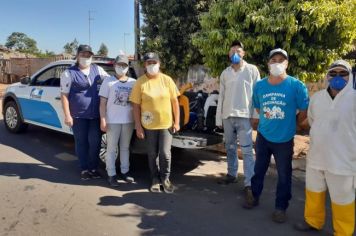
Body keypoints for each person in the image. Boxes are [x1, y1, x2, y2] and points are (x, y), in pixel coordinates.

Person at [244, 48, 309, 224]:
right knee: (259, 170)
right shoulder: (260, 86)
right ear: (268, 64)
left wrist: (293, 124)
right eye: (273, 60)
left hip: (285, 140)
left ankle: (281, 208)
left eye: (281, 60)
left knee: (284, 175)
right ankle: (254, 196)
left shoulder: (296, 86)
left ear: (287, 64)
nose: (277, 63)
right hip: (264, 136)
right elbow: (259, 108)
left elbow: (303, 111)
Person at [294, 60, 355, 235]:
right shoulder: (318, 98)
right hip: (316, 156)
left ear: (349, 76)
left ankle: (343, 231)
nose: (337, 77)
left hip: (343, 161)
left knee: (342, 199)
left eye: (342, 73)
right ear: (327, 76)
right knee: (314, 192)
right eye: (333, 73)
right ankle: (313, 221)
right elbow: (312, 122)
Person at [215, 40, 260, 202]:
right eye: (232, 50)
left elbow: (257, 93)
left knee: (247, 151)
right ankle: (231, 174)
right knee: (230, 147)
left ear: (244, 53)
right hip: (227, 115)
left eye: (238, 50)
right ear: (228, 54)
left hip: (245, 116)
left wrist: (256, 115)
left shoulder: (252, 70)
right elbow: (221, 96)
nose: (235, 52)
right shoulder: (225, 73)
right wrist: (218, 117)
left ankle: (249, 183)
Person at [130, 52, 180, 193]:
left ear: (159, 64)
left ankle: (165, 178)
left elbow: (175, 102)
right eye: (148, 63)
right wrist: (138, 127)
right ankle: (154, 179)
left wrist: (177, 122)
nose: (151, 65)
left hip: (166, 124)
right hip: (149, 126)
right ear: (145, 65)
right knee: (152, 153)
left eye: (154, 62)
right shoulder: (140, 82)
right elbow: (136, 106)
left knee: (165, 153)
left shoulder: (167, 80)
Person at [60, 44, 109, 180]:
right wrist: (67, 115)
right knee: (81, 143)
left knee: (95, 143)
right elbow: (64, 95)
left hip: (95, 116)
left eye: (88, 55)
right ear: (77, 56)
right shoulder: (68, 73)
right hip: (78, 116)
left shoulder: (98, 70)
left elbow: (110, 82)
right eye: (83, 55)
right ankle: (84, 169)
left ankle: (93, 168)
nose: (86, 57)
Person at [99, 54, 136, 187]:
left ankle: (125, 171)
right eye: (119, 65)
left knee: (125, 148)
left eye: (124, 65)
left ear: (128, 67)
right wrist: (103, 120)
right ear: (114, 65)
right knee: (111, 148)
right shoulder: (108, 82)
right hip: (112, 121)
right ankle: (111, 174)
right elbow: (102, 103)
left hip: (128, 121)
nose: (121, 68)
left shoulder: (133, 82)